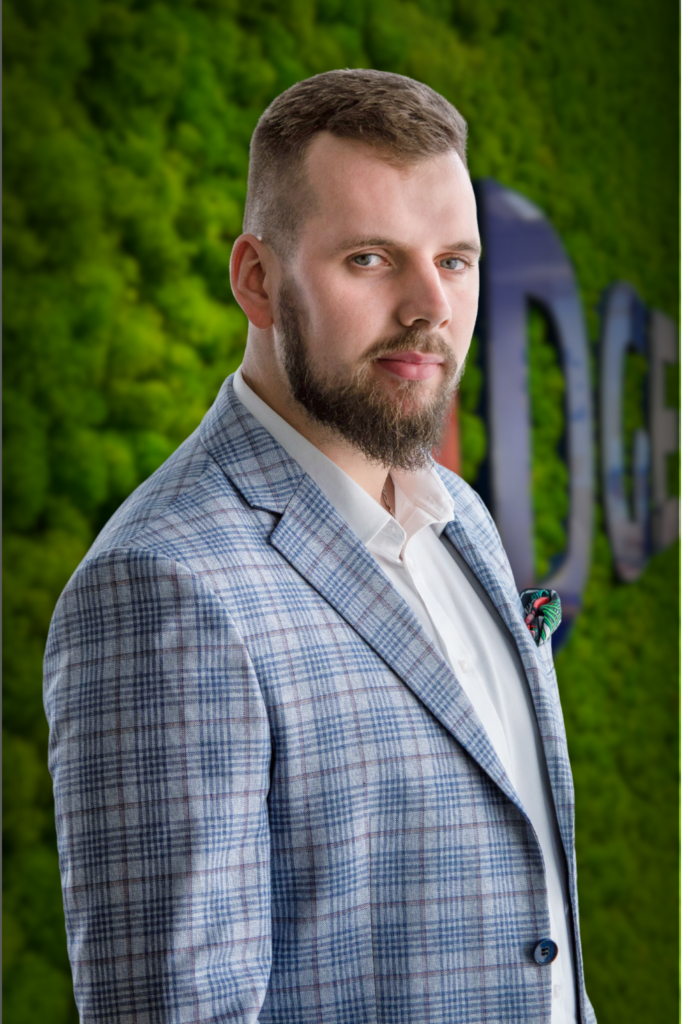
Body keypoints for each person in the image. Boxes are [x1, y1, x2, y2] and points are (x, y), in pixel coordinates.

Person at [44, 69, 595, 1024]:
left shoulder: (459, 513)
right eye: (371, 259)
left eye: (454, 260)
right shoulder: (162, 585)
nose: (429, 306)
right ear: (257, 280)